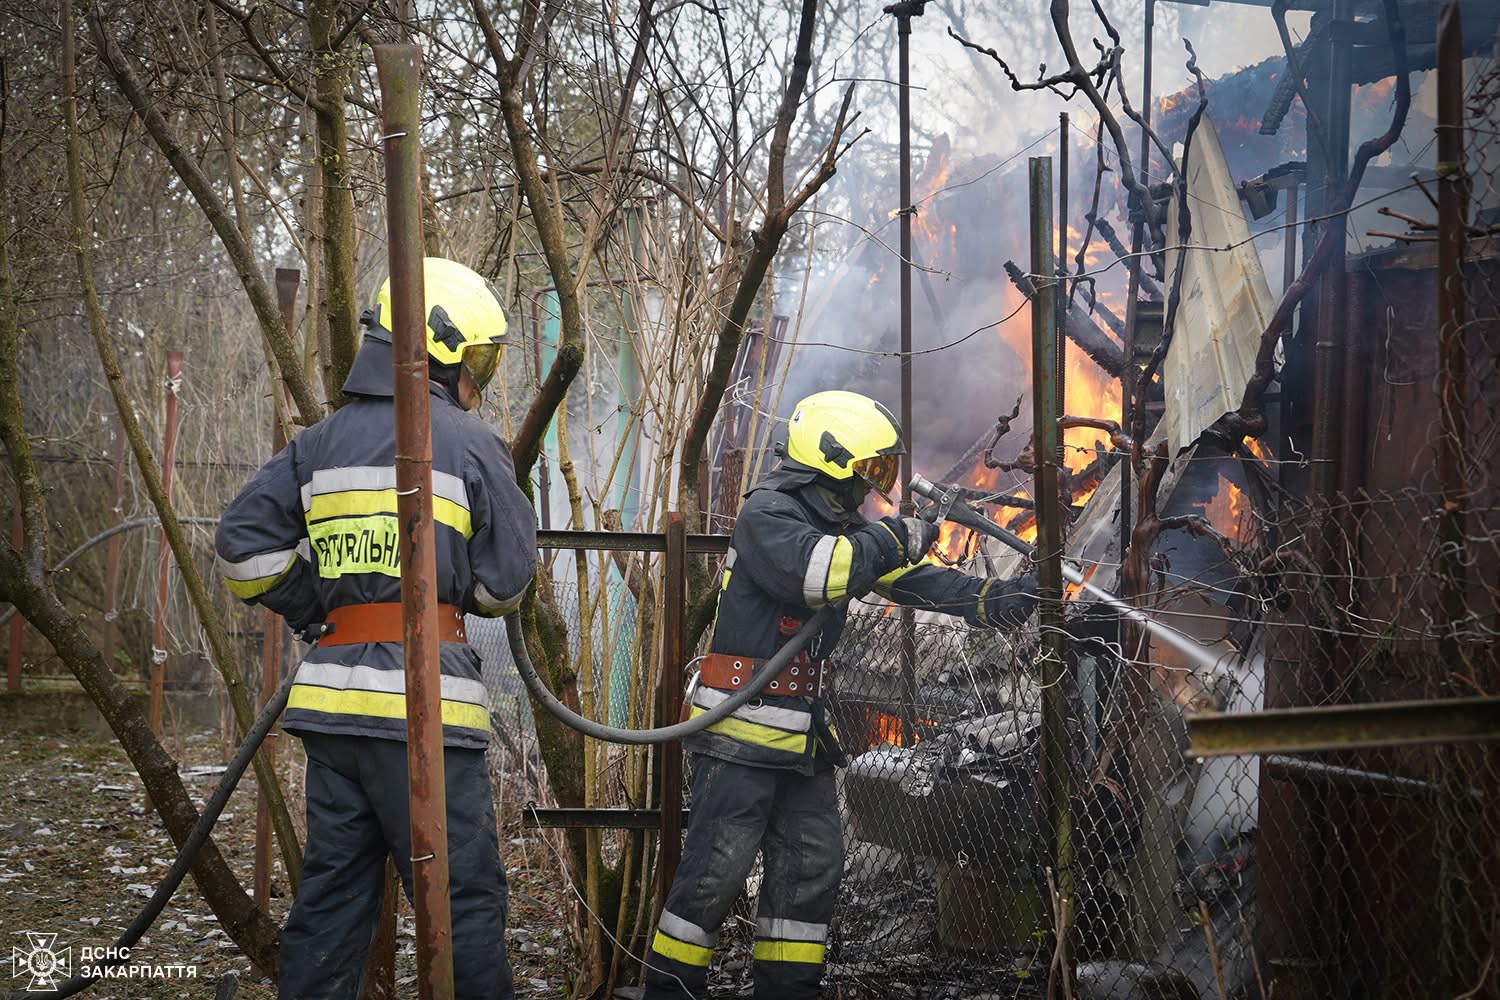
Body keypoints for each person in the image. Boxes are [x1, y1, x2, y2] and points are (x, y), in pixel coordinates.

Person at [643, 390, 1039, 1000]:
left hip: (802, 743)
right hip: (741, 737)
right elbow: (819, 574)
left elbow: (913, 581)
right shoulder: (768, 516)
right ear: (831, 460)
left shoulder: (843, 532)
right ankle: (669, 992)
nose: (873, 483)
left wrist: (997, 600)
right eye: (870, 468)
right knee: (713, 878)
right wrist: (893, 535)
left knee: (810, 873)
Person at [215, 258, 536, 1000]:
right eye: (479, 359)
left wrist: (320, 608)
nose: (480, 377)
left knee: (330, 904)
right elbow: (505, 585)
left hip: (334, 713)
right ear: (441, 348)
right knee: (461, 905)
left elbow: (241, 552)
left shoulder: (318, 443)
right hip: (426, 713)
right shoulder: (469, 443)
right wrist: (450, 590)